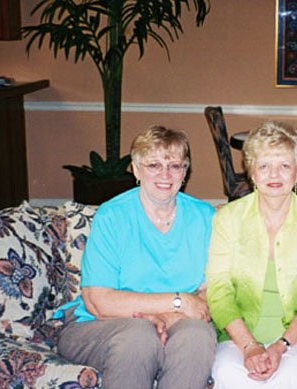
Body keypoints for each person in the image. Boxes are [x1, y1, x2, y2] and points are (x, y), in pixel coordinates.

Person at [54, 126, 216, 389]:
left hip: (179, 323)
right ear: (136, 169)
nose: (165, 174)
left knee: (198, 336)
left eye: (175, 165)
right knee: (139, 336)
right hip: (97, 325)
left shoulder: (205, 217)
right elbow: (99, 302)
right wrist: (178, 302)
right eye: (153, 165)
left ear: (185, 172)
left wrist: (169, 317)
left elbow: (211, 293)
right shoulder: (112, 216)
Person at [206, 121, 297, 388]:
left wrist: (280, 346)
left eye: (284, 166)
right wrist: (249, 346)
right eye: (264, 165)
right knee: (230, 375)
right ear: (252, 173)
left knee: (289, 376)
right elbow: (218, 291)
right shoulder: (228, 219)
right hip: (241, 332)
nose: (274, 174)